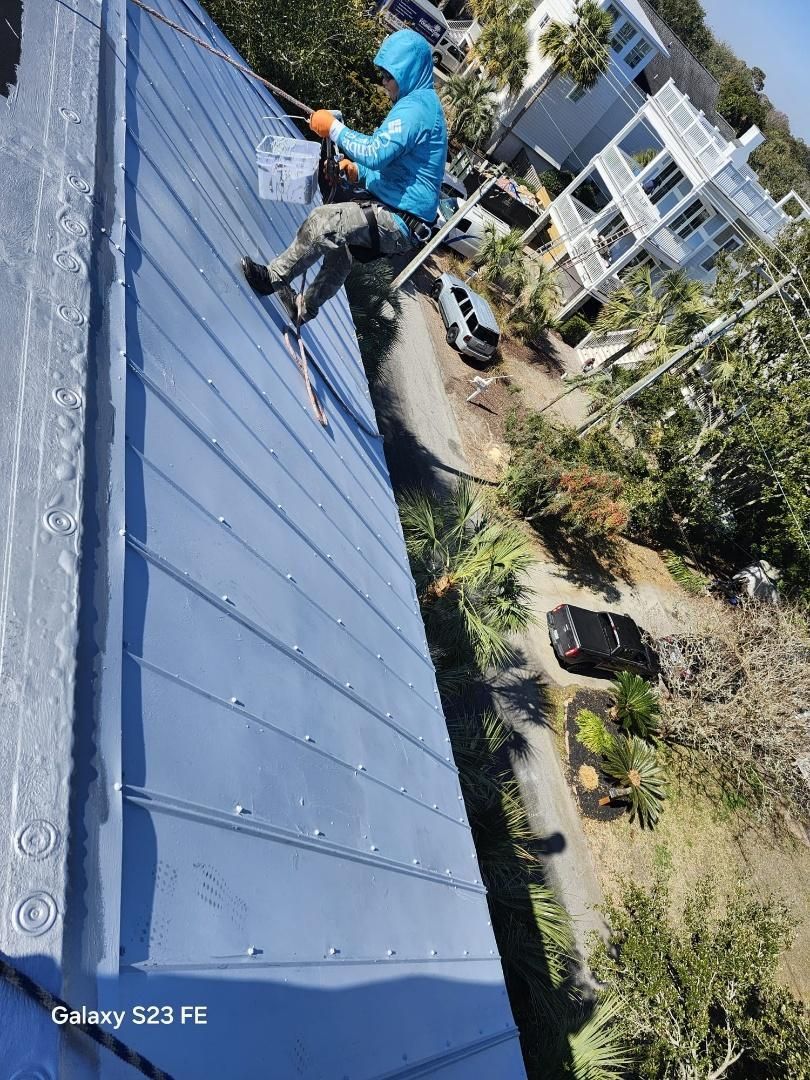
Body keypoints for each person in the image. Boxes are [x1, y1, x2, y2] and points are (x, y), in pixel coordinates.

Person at [241, 28, 448, 324]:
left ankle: (271, 279)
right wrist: (357, 171)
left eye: (389, 76)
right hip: (401, 214)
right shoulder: (418, 105)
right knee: (339, 253)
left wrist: (334, 129)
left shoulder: (417, 109)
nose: (384, 83)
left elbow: (377, 152)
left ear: (407, 72)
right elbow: (394, 168)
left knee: (323, 221)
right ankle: (306, 309)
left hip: (400, 219)